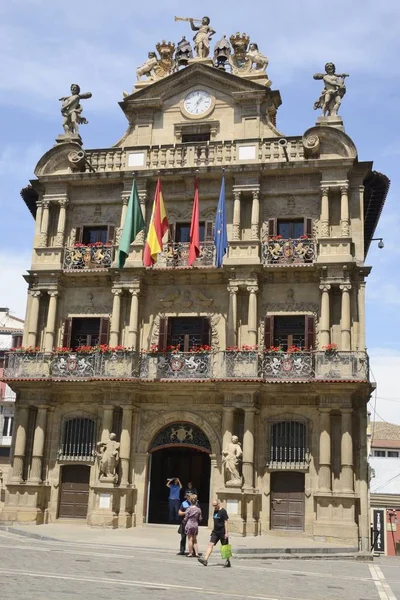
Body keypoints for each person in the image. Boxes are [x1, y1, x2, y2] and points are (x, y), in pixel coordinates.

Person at [198, 499, 231, 567]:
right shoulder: (215, 511)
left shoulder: (223, 511)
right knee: (210, 545)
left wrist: (226, 533)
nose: (214, 507)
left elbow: (226, 522)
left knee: (225, 547)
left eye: (215, 505)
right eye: (213, 506)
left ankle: (227, 561)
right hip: (215, 532)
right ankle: (205, 560)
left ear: (219, 504)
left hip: (222, 531)